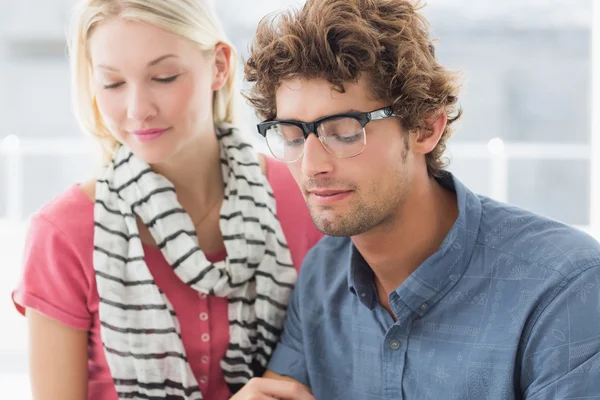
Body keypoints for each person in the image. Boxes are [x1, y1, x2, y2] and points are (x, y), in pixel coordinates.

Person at [236, 0, 600, 398]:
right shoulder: (323, 277)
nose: (310, 166)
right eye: (290, 135)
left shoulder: (565, 288)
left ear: (425, 127)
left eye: (343, 131)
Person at [11, 1, 322, 399]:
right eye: (112, 83)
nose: (138, 110)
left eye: (164, 76)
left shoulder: (304, 194)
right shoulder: (61, 235)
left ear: (220, 66)